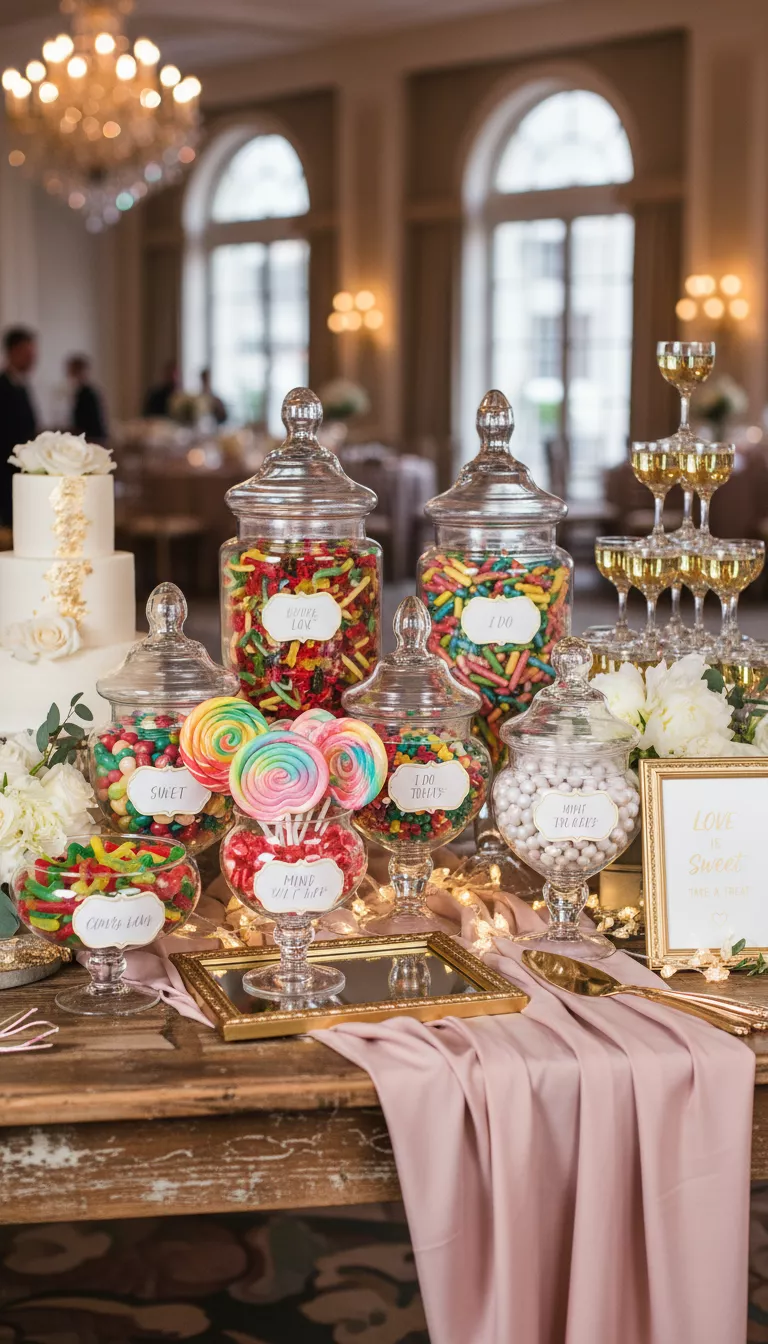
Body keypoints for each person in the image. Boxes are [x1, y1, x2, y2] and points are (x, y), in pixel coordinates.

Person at [0, 326, 38, 527]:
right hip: (5, 472)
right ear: (13, 351)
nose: (33, 359)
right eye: (28, 353)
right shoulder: (3, 386)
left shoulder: (23, 385)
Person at [66, 354, 108, 444]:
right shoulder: (84, 392)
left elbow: (88, 422)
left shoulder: (86, 394)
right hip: (92, 437)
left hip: (92, 438)